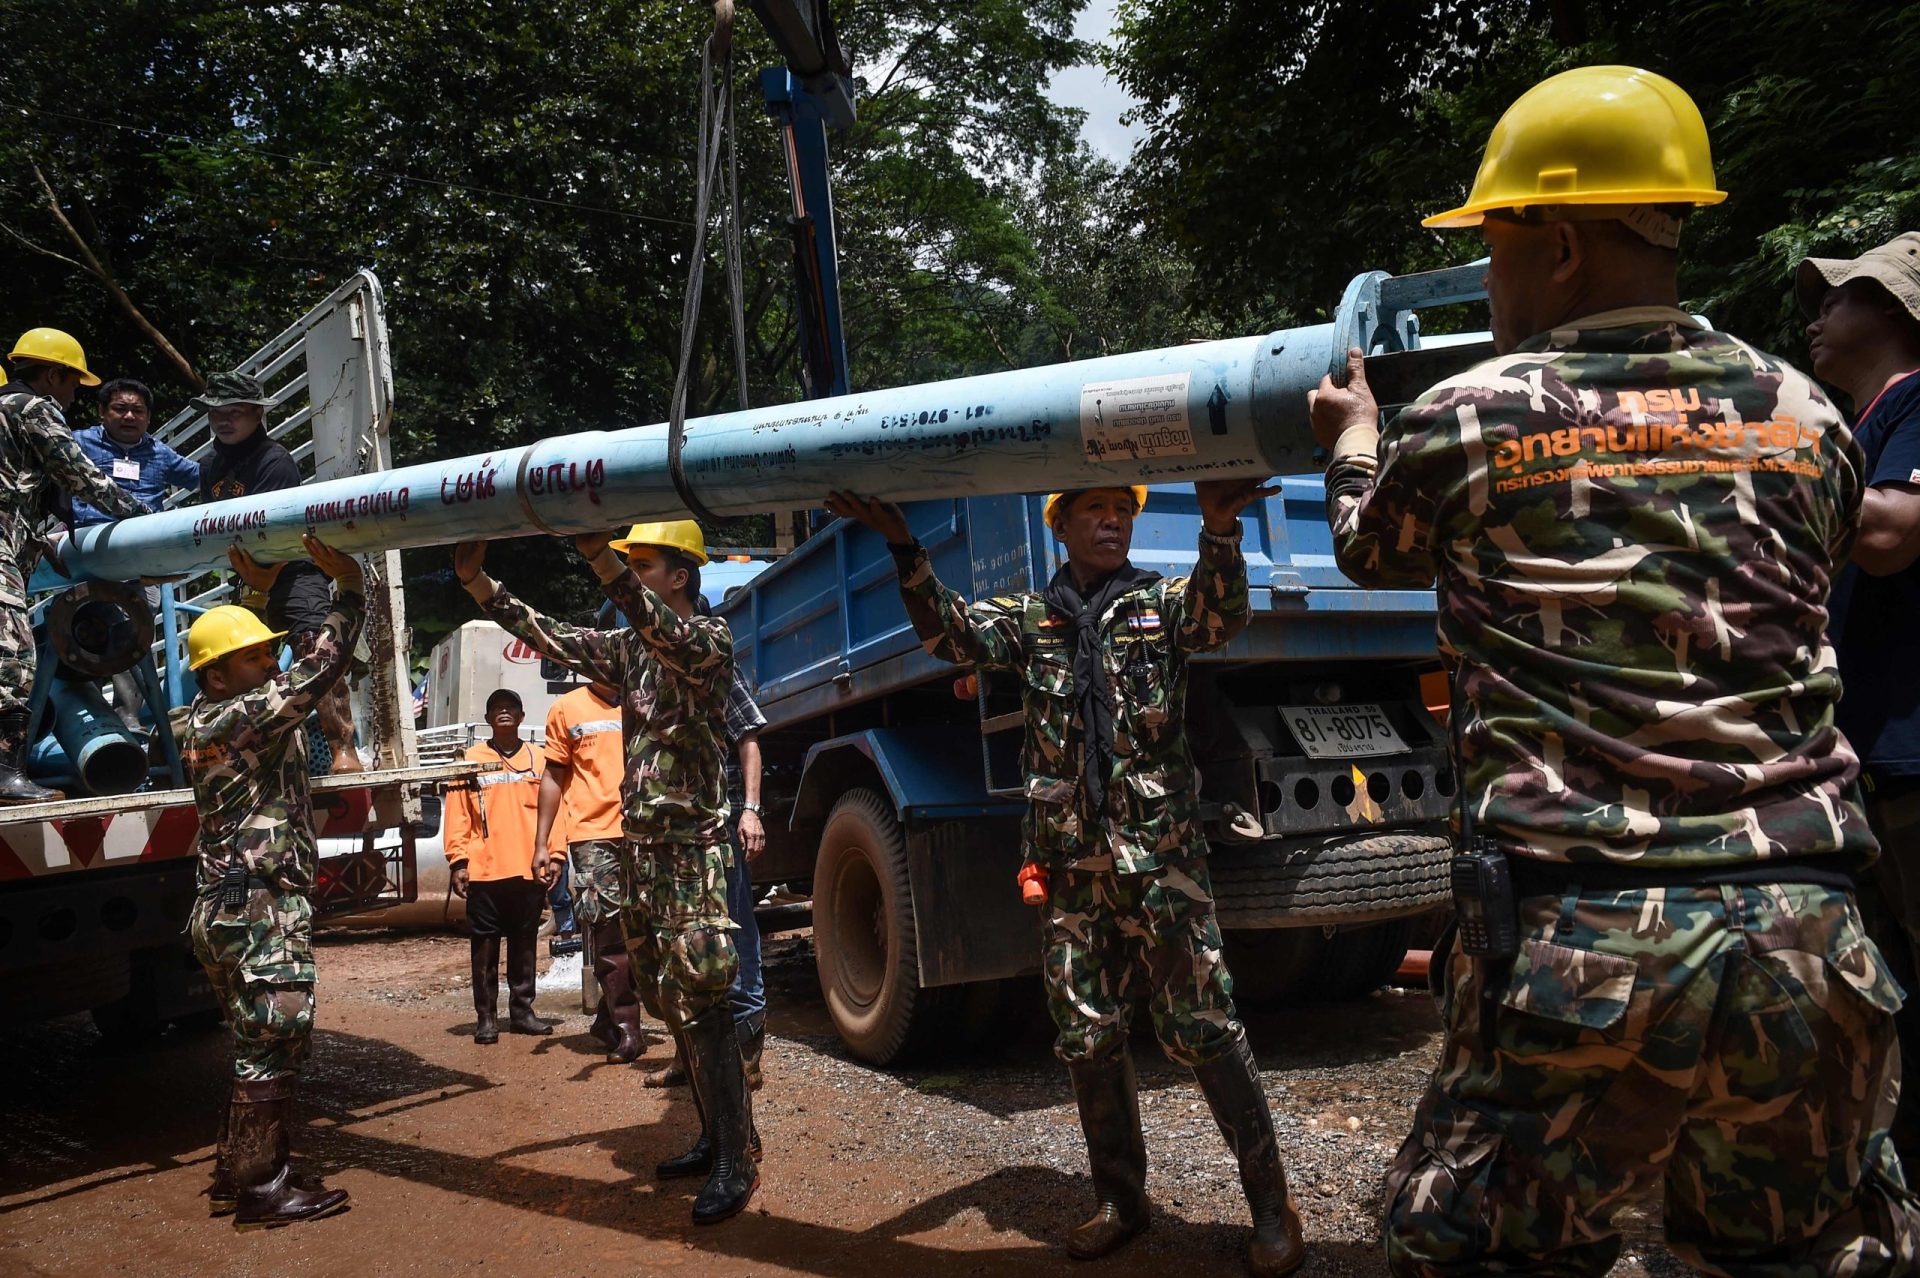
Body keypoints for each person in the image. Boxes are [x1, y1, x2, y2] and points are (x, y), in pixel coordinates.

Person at [1307, 65, 1920, 1276]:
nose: (1490, 272)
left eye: (1495, 242)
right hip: (1809, 933)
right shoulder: (1807, 416)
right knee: (1800, 1258)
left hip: (1582, 941)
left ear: (1565, 246)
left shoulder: (1474, 416)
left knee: (1483, 1252)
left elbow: (1371, 549)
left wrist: (1354, 438)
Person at [823, 479, 1301, 1276]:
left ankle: (1270, 1207)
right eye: (1094, 510)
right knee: (1087, 1032)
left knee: (1205, 1027)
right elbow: (948, 635)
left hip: (1160, 865)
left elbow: (1223, 615)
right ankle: (1121, 1200)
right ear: (1063, 525)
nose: (1113, 521)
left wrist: (1221, 530)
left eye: (1124, 510)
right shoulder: (1030, 621)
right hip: (1072, 870)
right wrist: (905, 545)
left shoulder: (1163, 606)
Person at [454, 520, 758, 1225]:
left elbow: (654, 624)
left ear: (678, 576)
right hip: (643, 849)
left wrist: (596, 553)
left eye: (641, 564)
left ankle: (738, 1155)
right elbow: (555, 634)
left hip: (693, 851)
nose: (632, 575)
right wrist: (479, 585)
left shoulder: (707, 642)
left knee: (706, 997)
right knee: (669, 996)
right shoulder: (630, 651)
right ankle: (713, 1136)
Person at [181, 533, 361, 1230]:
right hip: (258, 903)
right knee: (275, 1038)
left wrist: (256, 595)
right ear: (218, 675)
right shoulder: (243, 713)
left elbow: (285, 667)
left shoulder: (212, 713)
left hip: (225, 903)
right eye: (257, 656)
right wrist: (349, 590)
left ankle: (241, 1170)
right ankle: (262, 1188)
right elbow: (318, 668)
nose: (272, 661)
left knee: (253, 1038)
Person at [1802, 230, 1920, 1171]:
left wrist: (1758, 472)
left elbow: (1890, 532)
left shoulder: (1918, 406)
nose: (1816, 315)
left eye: (1837, 298)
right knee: (1884, 995)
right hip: (1871, 760)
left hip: (1913, 755)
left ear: (1890, 309)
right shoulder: (1861, 428)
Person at [0, 328, 150, 803]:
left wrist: (29, 535)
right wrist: (141, 517)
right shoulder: (32, 408)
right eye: (71, 385)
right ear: (51, 376)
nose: (72, 398)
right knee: (14, 661)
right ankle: (5, 776)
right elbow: (80, 476)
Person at [195, 371, 363, 774]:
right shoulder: (208, 466)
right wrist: (253, 585)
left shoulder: (274, 460)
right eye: (215, 412)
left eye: (234, 412)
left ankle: (344, 749)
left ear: (256, 414)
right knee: (232, 660)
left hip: (294, 570)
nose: (223, 420)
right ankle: (244, 752)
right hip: (249, 575)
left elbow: (281, 531)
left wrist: (262, 582)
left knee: (315, 646)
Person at [70, 376, 201, 733]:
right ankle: (93, 720)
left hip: (142, 560)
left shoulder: (160, 453)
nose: (129, 416)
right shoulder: (77, 443)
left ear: (148, 418)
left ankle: (129, 716)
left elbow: (203, 478)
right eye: (120, 408)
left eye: (138, 410)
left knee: (133, 631)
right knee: (85, 632)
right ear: (102, 412)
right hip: (89, 557)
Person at [535, 679, 650, 1064]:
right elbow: (553, 777)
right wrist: (544, 845)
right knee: (610, 933)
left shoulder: (642, 700)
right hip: (594, 836)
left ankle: (607, 1019)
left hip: (645, 829)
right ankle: (627, 1027)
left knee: (648, 931)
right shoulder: (567, 709)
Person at [444, 688, 552, 1044]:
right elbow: (458, 814)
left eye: (511, 708)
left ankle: (522, 1012)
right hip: (484, 871)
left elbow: (556, 811)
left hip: (527, 868)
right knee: (485, 948)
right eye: (496, 708)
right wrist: (458, 861)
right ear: (488, 718)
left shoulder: (541, 760)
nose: (503, 712)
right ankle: (486, 1018)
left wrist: (556, 855)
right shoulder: (469, 759)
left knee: (524, 945)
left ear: (521, 717)